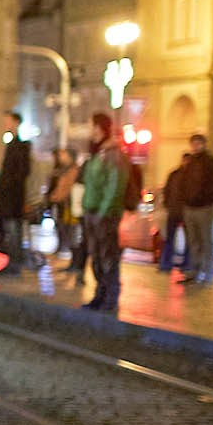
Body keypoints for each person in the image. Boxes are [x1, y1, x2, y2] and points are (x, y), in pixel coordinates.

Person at [79, 112, 129, 312]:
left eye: (91, 125)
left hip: (105, 213)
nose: (89, 130)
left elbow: (114, 185)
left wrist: (104, 210)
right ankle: (99, 294)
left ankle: (110, 297)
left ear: (99, 127)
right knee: (96, 256)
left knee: (108, 256)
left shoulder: (113, 153)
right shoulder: (96, 153)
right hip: (92, 210)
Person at [179, 134, 213, 285]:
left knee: (206, 240)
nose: (195, 146)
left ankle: (207, 273)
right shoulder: (190, 163)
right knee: (193, 241)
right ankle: (195, 271)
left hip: (205, 206)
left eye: (198, 143)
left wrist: (210, 199)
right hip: (190, 206)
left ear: (203, 144)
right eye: (193, 143)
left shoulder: (210, 163)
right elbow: (183, 183)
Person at [0, 112, 32, 273]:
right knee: (11, 231)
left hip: (13, 197)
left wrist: (7, 185)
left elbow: (20, 172)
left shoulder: (20, 146)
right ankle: (13, 262)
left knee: (14, 231)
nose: (5, 123)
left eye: (8, 120)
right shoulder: (12, 144)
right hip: (9, 197)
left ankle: (15, 264)